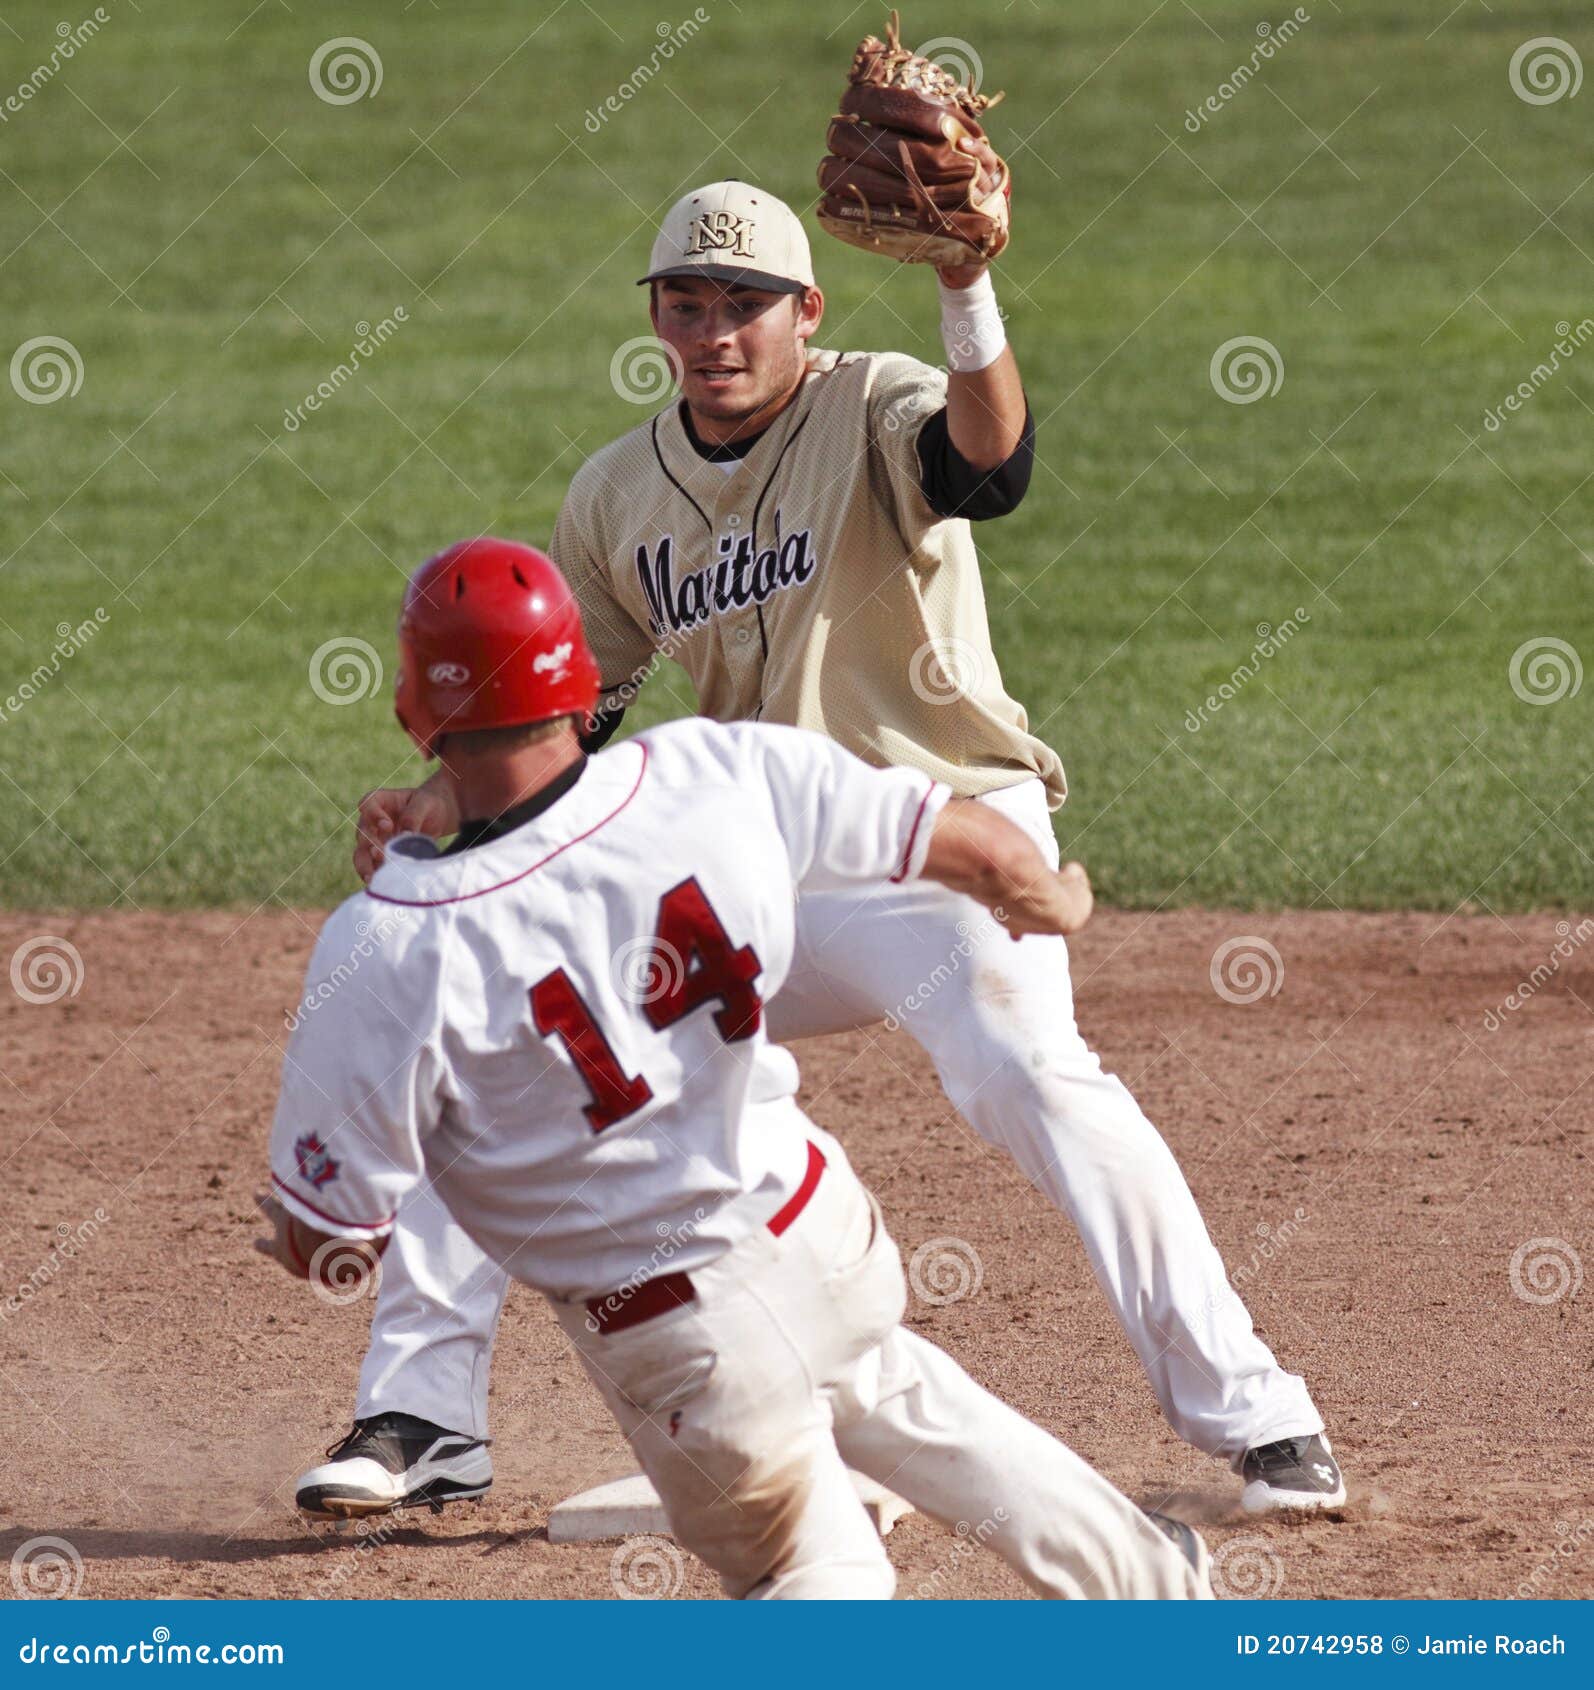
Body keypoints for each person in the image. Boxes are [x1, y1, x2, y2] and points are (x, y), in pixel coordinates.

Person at [309, 181, 1342, 1523]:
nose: (714, 332)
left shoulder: (874, 402)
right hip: (764, 866)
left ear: (806, 310)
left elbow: (990, 467)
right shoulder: (613, 494)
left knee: (1030, 1071)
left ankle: (1258, 1412)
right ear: (656, 318)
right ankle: (421, 1416)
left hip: (943, 835)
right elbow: (566, 724)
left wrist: (965, 284)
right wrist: (429, 802)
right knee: (519, 1046)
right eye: (687, 304)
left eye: (744, 305)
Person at [259, 537, 1211, 1600]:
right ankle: (1155, 1590)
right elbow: (986, 850)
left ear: (415, 719)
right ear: (584, 686)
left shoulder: (386, 943)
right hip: (823, 1234)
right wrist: (1051, 897)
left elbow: (331, 1239)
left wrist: (304, 1225)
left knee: (816, 1571)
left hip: (688, 1347)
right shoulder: (713, 771)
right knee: (888, 1386)